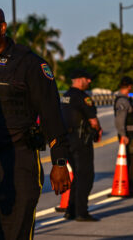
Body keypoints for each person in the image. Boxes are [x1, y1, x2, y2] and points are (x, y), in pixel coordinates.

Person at [0, 6, 71, 240]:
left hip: (18, 162)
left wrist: (59, 162)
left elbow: (51, 115)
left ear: (1, 28)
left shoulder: (29, 64)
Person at [61, 69, 102, 222]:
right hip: (81, 141)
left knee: (77, 176)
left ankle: (70, 210)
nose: (90, 81)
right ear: (79, 80)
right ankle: (81, 212)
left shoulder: (65, 96)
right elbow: (93, 121)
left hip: (67, 140)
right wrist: (97, 130)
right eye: (87, 79)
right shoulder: (83, 97)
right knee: (85, 176)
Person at [114, 76, 133, 194]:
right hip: (128, 135)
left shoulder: (125, 99)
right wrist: (123, 135)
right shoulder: (122, 101)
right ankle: (130, 187)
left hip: (129, 134)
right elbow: (120, 120)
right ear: (129, 86)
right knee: (131, 161)